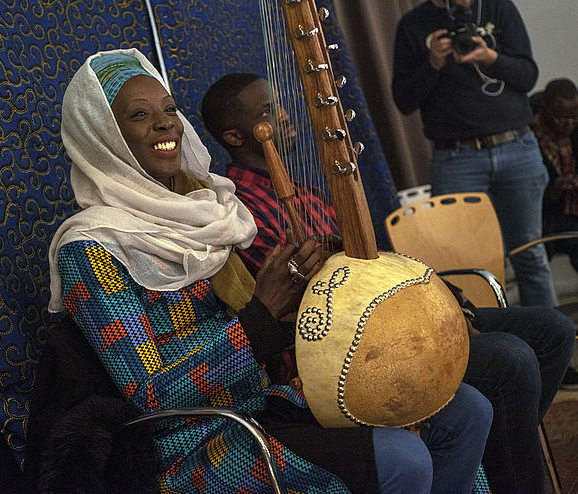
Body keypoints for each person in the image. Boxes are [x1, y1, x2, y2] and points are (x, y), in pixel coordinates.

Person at [46, 49, 493, 494]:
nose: (165, 123)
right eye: (139, 114)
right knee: (402, 458)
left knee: (464, 411)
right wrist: (262, 314)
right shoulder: (92, 248)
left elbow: (257, 324)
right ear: (103, 136)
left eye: (169, 109)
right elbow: (152, 394)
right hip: (194, 441)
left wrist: (300, 297)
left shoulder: (207, 211)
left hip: (268, 404)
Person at [201, 72, 575, 494]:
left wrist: (447, 303)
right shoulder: (242, 210)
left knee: (552, 329)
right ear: (233, 136)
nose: (286, 116)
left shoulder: (305, 191)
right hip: (359, 344)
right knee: (512, 359)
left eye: (280, 105)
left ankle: (499, 443)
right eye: (268, 111)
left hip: (394, 315)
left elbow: (364, 266)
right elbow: (321, 295)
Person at [392, 0, 556, 308]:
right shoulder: (413, 25)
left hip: (516, 147)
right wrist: (433, 64)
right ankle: (492, 350)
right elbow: (403, 100)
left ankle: (551, 348)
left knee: (530, 254)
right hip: (456, 159)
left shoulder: (499, 8)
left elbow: (529, 76)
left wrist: (492, 57)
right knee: (464, 265)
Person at [531, 78, 578, 390]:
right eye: (562, 117)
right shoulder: (531, 137)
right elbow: (530, 197)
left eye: (574, 116)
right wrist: (555, 189)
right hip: (550, 216)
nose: (569, 123)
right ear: (546, 109)